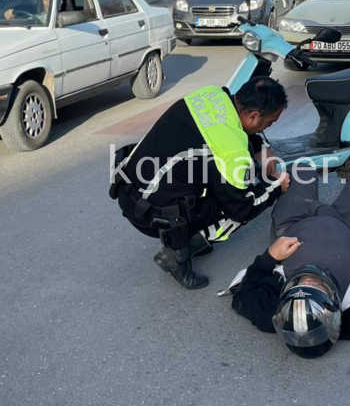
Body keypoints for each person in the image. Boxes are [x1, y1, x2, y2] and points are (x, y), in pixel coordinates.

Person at [112, 77, 291, 289]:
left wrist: (262, 146)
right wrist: (276, 186)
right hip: (148, 214)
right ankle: (176, 255)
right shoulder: (231, 151)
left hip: (129, 187)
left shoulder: (212, 94)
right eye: (269, 123)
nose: (267, 128)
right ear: (253, 115)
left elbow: (230, 127)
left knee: (223, 177)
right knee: (238, 205)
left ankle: (192, 236)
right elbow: (242, 208)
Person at [226, 169, 350, 358]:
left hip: (294, 223)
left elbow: (245, 294)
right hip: (348, 228)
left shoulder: (270, 314)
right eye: (317, 287)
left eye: (298, 285)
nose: (309, 279)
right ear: (334, 307)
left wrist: (270, 256)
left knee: (302, 170)